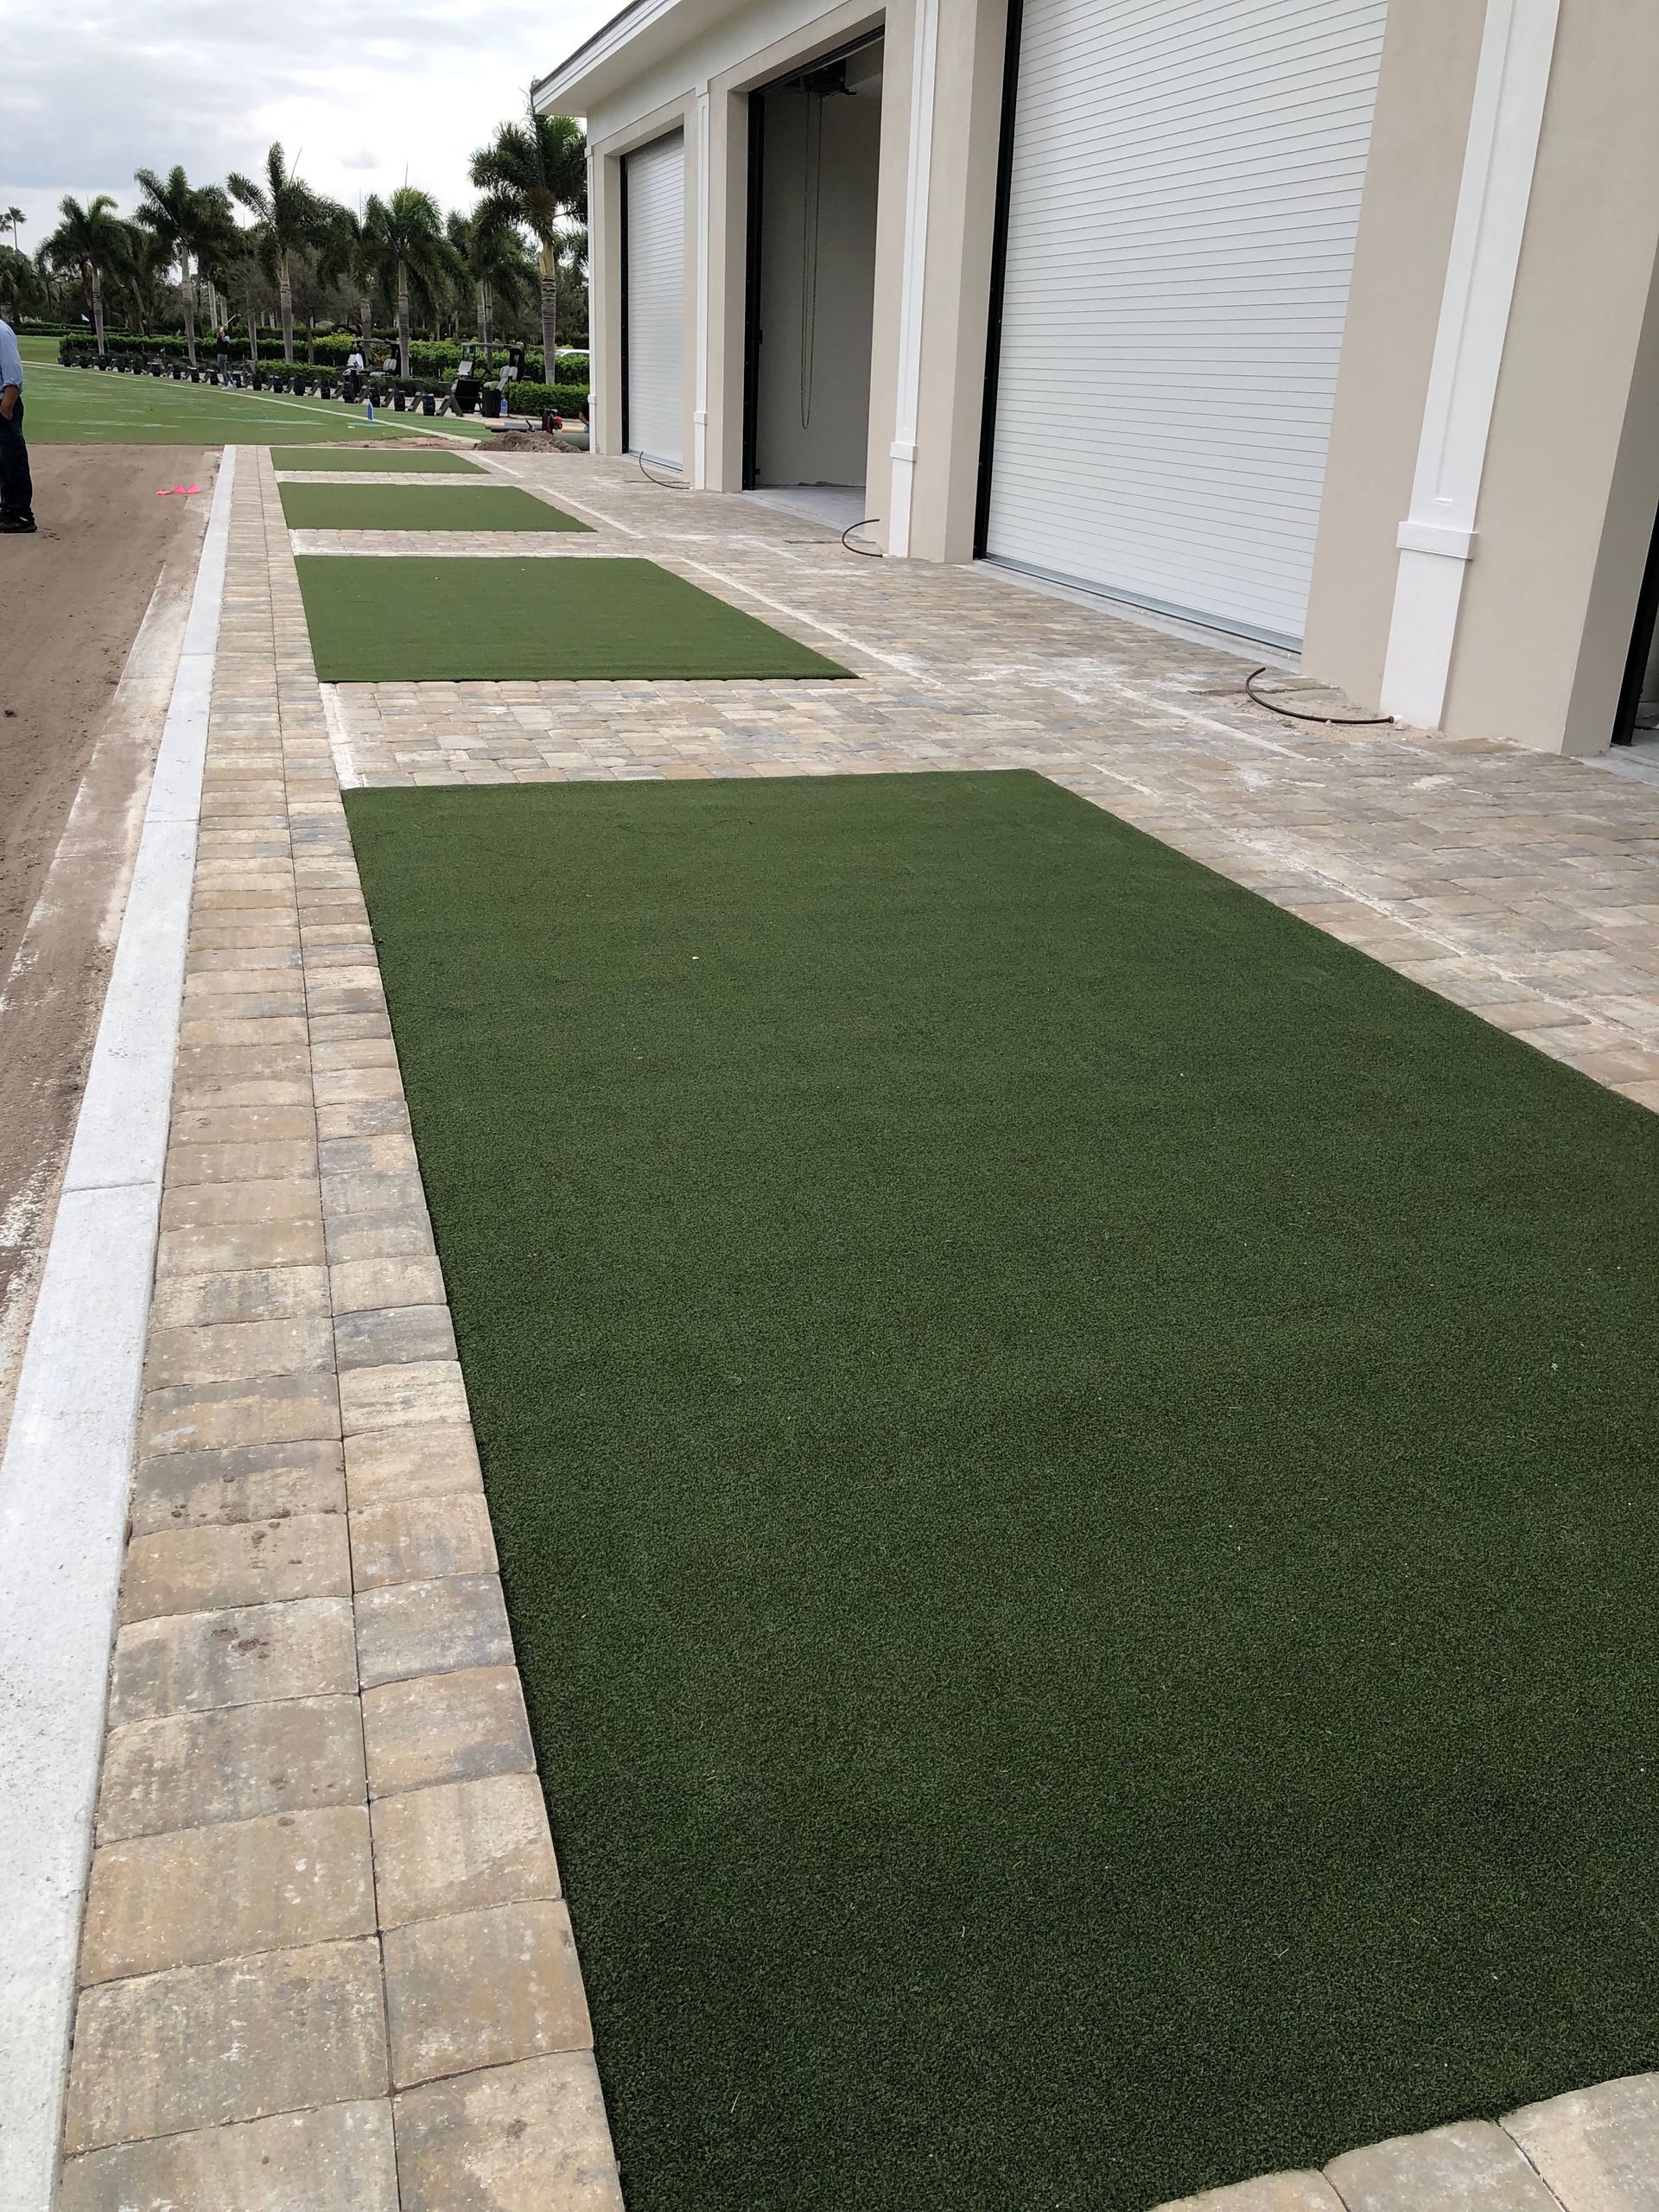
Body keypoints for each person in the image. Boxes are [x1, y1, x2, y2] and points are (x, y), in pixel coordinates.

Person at [0, 314, 34, 535]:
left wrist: (6, 407)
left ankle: (21, 514)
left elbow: (13, 374)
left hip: (4, 404)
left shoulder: (1, 333)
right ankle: (8, 508)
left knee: (13, 457)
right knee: (3, 462)